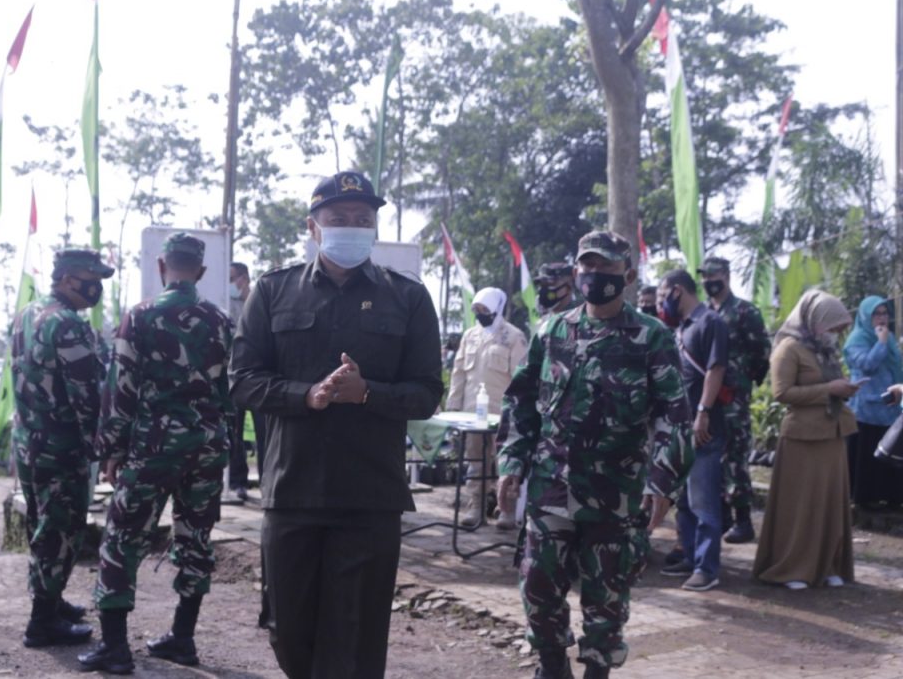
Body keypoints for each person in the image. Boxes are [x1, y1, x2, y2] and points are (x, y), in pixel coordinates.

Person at [229, 170, 443, 679]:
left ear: (375, 228)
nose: (352, 226)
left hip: (369, 497)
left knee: (358, 635)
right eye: (338, 218)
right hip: (292, 490)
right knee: (288, 628)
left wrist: (367, 393)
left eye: (362, 219)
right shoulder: (272, 291)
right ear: (313, 226)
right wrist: (307, 394)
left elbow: (428, 393)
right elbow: (242, 381)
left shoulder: (408, 297)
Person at [497, 231, 693, 679]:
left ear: (626, 274)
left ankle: (597, 671)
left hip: (615, 491)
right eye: (588, 266)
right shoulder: (551, 330)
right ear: (576, 271)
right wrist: (512, 462)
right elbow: (521, 401)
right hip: (551, 484)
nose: (595, 275)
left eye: (605, 268)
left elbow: (673, 416)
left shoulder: (651, 337)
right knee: (538, 583)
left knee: (606, 595)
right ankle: (551, 666)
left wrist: (663, 481)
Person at [78, 233, 234, 673]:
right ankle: (182, 639)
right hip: (206, 446)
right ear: (199, 272)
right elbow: (228, 390)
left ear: (162, 267)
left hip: (153, 447)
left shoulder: (141, 316)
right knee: (196, 538)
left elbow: (120, 387)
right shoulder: (221, 320)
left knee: (123, 538)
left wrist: (110, 448)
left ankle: (115, 647)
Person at [12, 248, 114, 648]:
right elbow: (88, 397)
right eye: (93, 279)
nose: (97, 288)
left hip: (29, 443)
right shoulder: (68, 324)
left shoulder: (28, 313)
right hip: (62, 446)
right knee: (60, 529)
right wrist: (104, 448)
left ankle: (49, 602)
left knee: (43, 525)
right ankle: (42, 623)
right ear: (70, 278)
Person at [753, 289, 859, 590]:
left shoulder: (824, 350)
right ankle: (792, 568)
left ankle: (827, 565)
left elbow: (831, 385)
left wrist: (845, 389)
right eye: (832, 327)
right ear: (814, 320)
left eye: (840, 329)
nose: (836, 334)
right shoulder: (789, 348)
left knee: (830, 504)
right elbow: (781, 393)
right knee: (800, 507)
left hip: (832, 434)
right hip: (802, 439)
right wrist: (829, 390)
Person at [656, 269, 729, 592]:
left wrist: (703, 413)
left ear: (676, 291)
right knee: (684, 499)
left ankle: (707, 567)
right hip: (680, 427)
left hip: (704, 427)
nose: (661, 303)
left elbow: (716, 369)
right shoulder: (683, 327)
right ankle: (688, 554)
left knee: (703, 499)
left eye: (662, 296)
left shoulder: (710, 323)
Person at [699, 257, 770, 543]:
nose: (708, 280)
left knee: (735, 454)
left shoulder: (744, 311)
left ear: (726, 276)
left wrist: (741, 380)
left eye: (713, 274)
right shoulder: (703, 312)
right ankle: (722, 516)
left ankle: (742, 520)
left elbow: (761, 351)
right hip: (706, 395)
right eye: (704, 276)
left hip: (733, 396)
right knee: (711, 456)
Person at [446, 287, 528, 529]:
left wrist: (520, 414)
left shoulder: (514, 337)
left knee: (506, 463)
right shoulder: (470, 336)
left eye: (485, 309)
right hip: (472, 415)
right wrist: (452, 408)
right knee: (475, 462)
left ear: (497, 309)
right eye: (477, 310)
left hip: (503, 416)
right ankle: (476, 506)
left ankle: (506, 510)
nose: (481, 314)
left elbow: (521, 379)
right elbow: (458, 374)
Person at [844, 295, 903, 509]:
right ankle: (864, 499)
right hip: (866, 409)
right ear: (866, 316)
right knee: (866, 454)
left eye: (884, 313)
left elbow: (897, 366)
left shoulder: (889, 338)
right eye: (876, 314)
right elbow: (867, 365)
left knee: (890, 452)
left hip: (889, 407)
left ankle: (891, 498)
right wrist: (881, 343)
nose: (881, 318)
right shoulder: (857, 340)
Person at [227, 261, 260, 501]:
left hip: (259, 377)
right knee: (234, 435)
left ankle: (268, 481)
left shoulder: (260, 299)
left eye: (233, 279)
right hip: (234, 378)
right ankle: (238, 483)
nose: (230, 284)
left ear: (244, 278)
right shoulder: (226, 303)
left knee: (265, 432)